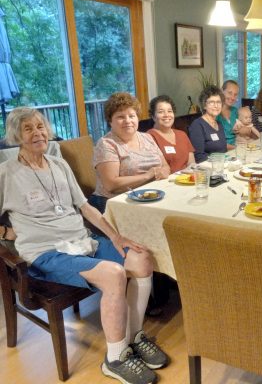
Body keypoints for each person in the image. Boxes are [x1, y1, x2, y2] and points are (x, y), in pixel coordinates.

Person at [0, 107, 170, 384]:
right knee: (114, 274)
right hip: (45, 254)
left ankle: (134, 337)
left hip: (81, 243)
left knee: (141, 258)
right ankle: (115, 358)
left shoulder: (59, 165)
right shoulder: (5, 173)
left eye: (40, 127)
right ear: (16, 136)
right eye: (28, 129)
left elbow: (85, 208)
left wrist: (116, 237)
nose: (37, 133)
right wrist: (7, 231)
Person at [90, 92, 170, 214]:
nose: (128, 121)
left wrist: (163, 172)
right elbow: (111, 184)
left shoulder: (147, 137)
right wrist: (147, 176)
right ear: (110, 121)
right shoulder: (106, 144)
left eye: (132, 116)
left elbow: (165, 166)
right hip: (116, 202)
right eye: (121, 117)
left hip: (151, 195)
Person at [147, 95, 195, 173]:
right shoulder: (149, 137)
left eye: (169, 111)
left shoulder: (182, 134)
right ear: (153, 116)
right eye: (161, 112)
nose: (166, 115)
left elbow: (191, 163)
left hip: (187, 180)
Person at [189, 85, 228, 163]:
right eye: (211, 102)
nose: (216, 106)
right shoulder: (197, 125)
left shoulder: (219, 124)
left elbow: (223, 150)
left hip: (222, 165)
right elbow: (199, 156)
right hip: (207, 168)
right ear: (204, 105)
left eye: (218, 102)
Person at [216, 80, 250, 150]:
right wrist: (236, 148)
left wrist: (243, 130)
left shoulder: (235, 111)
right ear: (222, 91)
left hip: (237, 148)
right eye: (230, 93)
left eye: (235, 94)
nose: (232, 97)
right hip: (221, 152)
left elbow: (248, 129)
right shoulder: (214, 113)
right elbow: (215, 142)